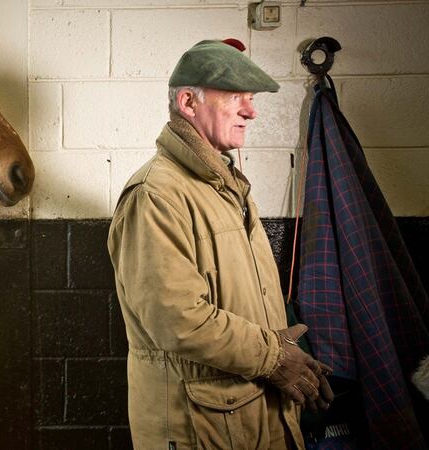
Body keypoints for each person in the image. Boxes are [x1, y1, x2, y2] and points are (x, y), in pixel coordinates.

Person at [107, 39, 334, 449]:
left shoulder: (225, 187)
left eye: (250, 99)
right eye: (236, 98)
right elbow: (176, 319)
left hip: (245, 414)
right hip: (197, 425)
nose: (251, 111)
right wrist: (274, 357)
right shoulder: (156, 195)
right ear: (189, 102)